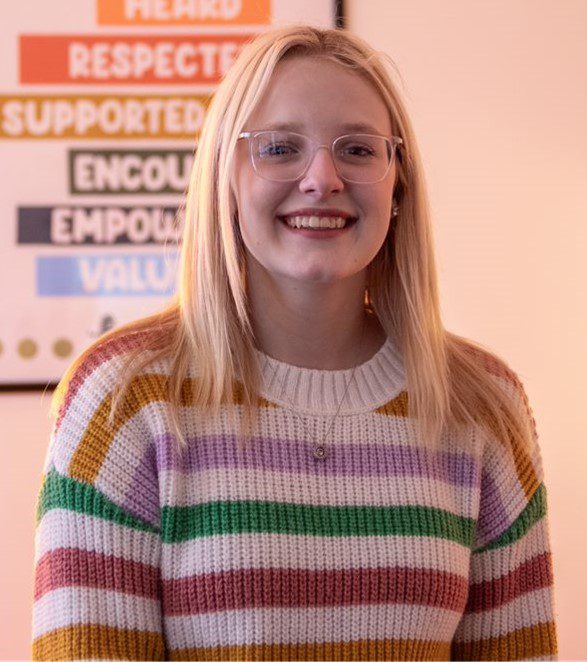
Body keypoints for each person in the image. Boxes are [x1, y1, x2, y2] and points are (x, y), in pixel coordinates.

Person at [31, 25, 558, 661]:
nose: (322, 178)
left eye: (358, 150)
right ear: (227, 179)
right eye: (280, 148)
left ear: (399, 186)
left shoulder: (483, 406)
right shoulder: (123, 402)